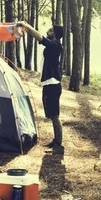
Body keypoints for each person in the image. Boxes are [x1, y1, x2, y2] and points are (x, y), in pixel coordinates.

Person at [17, 21, 65, 154]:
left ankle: (59, 144)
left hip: (53, 85)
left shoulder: (56, 45)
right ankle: (56, 141)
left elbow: (40, 37)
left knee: (54, 116)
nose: (47, 32)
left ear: (54, 34)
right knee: (51, 114)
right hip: (49, 84)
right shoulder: (53, 46)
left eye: (50, 30)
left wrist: (27, 26)